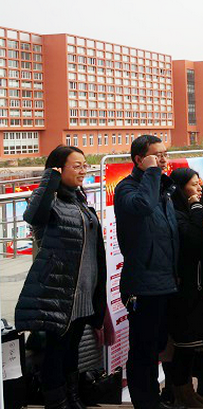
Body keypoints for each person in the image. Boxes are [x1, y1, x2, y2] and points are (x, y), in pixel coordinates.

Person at [15, 146, 106, 409]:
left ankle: (72, 396)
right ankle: (57, 402)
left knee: (71, 349)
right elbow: (33, 216)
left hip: (82, 291)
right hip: (59, 292)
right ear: (58, 169)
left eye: (84, 165)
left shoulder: (78, 199)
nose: (83, 170)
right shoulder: (48, 198)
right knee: (56, 351)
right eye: (76, 166)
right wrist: (49, 180)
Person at [115, 135, 179, 409]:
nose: (163, 160)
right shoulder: (127, 189)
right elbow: (142, 206)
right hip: (143, 282)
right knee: (143, 348)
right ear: (139, 159)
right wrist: (152, 173)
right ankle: (145, 402)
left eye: (165, 154)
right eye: (156, 155)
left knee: (157, 344)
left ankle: (155, 397)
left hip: (165, 279)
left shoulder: (162, 189)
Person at [167, 168, 203, 408]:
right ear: (180, 188)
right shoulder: (176, 212)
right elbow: (195, 239)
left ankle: (188, 392)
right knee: (184, 345)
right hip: (185, 289)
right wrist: (195, 206)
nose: (199, 188)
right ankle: (182, 394)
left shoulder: (189, 210)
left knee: (193, 345)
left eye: (199, 183)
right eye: (193, 184)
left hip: (199, 286)